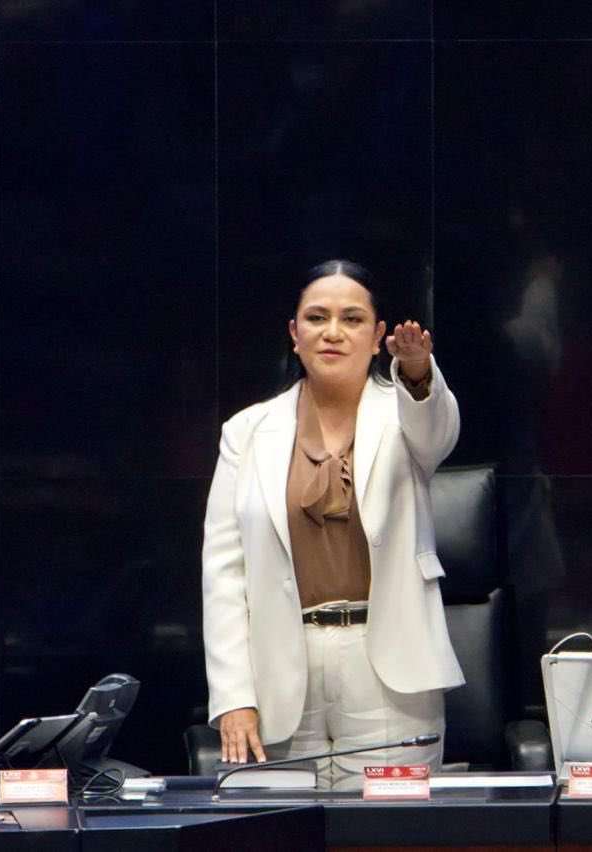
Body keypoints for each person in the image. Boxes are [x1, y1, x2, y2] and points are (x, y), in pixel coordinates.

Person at [202, 260, 463, 785]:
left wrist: (416, 372)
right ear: (295, 335)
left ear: (377, 338)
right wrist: (233, 695)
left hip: (388, 671)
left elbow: (437, 431)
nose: (333, 332)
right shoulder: (247, 431)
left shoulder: (405, 414)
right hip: (279, 668)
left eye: (352, 319)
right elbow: (224, 574)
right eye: (317, 318)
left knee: (387, 841)